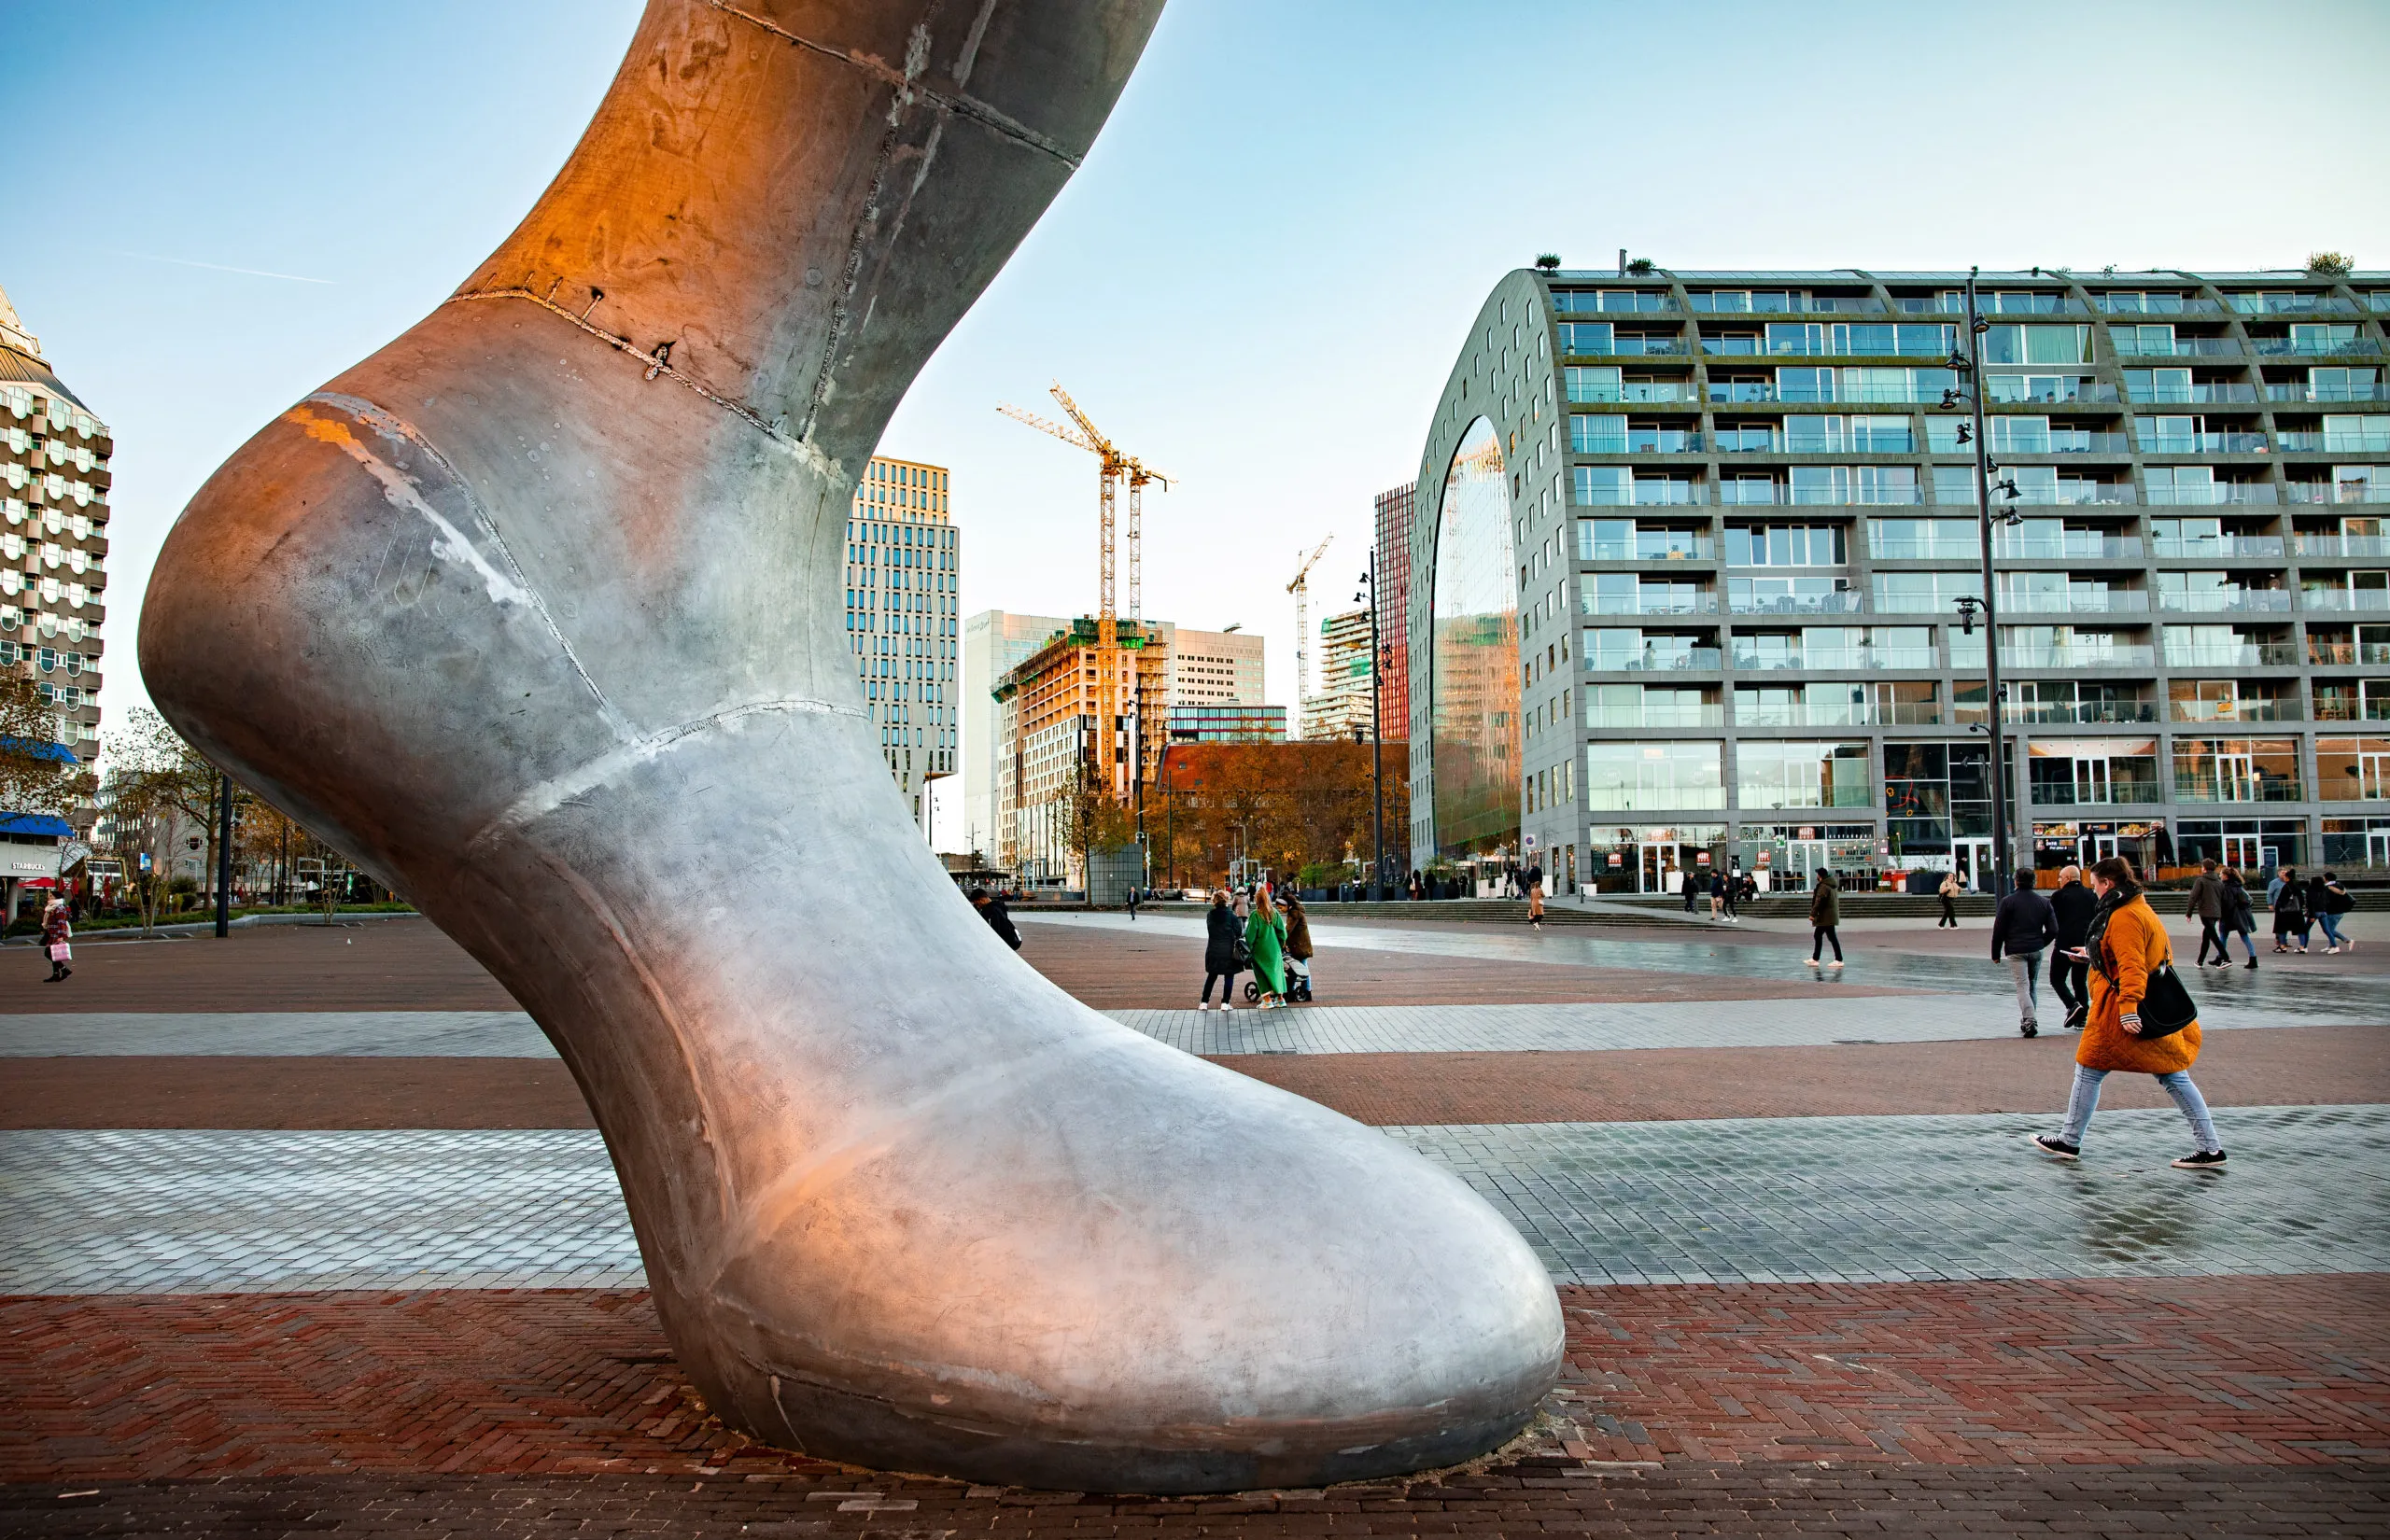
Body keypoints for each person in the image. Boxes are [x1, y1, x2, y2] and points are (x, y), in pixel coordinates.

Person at [2032, 856, 2226, 1169]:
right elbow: (2133, 956)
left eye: (2095, 885)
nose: (2093, 891)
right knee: (2171, 1074)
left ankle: (2069, 1140)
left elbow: (2132, 966)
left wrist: (2128, 1010)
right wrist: (2094, 955)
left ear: (2108, 883)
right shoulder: (2138, 907)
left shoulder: (2124, 916)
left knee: (2092, 1069)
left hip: (2121, 1010)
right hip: (2141, 1008)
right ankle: (2210, 1147)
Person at [1989, 877, 2057, 1037]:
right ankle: (2029, 1018)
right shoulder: (2043, 902)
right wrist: (2041, 942)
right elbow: (2053, 929)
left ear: (2016, 882)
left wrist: (1995, 952)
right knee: (2032, 984)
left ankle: (2029, 1019)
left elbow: (1998, 929)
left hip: (2015, 949)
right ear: (2034, 882)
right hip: (2035, 948)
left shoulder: (2008, 902)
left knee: (2022, 985)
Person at [2048, 864, 2096, 1030]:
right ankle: (2082, 1018)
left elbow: (2052, 921)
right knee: (2079, 981)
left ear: (2068, 878)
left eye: (2061, 878)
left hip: (2064, 945)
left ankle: (2073, 1005)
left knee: (2056, 978)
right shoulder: (2091, 895)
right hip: (2085, 945)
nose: (2059, 881)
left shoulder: (2059, 896)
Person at [1198, 889, 1242, 1010]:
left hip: (1213, 948)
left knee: (1211, 976)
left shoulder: (1210, 915)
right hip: (1228, 949)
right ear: (1226, 901)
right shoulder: (1232, 915)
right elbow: (1239, 932)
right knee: (1229, 976)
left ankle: (1204, 1002)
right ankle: (1225, 1003)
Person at [1244, 886, 1287, 1009]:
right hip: (1274, 949)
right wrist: (1278, 945)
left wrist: (1250, 949)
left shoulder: (1256, 915)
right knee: (1277, 973)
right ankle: (1280, 999)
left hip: (1260, 950)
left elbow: (1250, 935)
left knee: (1261, 973)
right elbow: (1282, 933)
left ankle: (1267, 1000)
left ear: (1256, 900)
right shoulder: (1275, 913)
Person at [2186, 858, 2227, 967]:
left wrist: (2189, 913)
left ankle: (2226, 958)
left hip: (2205, 912)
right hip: (2216, 912)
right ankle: (2200, 961)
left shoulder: (2201, 881)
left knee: (2213, 936)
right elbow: (2223, 899)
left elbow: (2193, 897)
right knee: (2206, 936)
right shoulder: (2219, 882)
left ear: (2204, 868)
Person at [2219, 868, 2258, 970]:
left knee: (2223, 935)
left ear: (2226, 876)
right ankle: (2253, 958)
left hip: (2230, 915)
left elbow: (2227, 903)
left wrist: (2220, 914)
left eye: (2221, 874)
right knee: (2244, 936)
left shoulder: (2226, 887)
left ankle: (2220, 956)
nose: (2220, 876)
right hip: (2241, 914)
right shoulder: (2238, 885)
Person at [1282, 889, 1314, 1001]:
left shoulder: (1294, 914)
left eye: (1281, 907)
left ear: (1288, 906)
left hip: (1300, 946)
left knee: (1301, 968)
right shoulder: (1294, 911)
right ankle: (1305, 990)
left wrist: (1281, 940)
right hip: (1300, 944)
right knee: (1299, 968)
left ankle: (1303, 991)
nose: (1280, 909)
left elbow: (1288, 930)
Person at [1807, 868, 1843, 970]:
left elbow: (1819, 901)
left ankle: (1838, 959)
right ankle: (1816, 958)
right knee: (1824, 936)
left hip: (1826, 916)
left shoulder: (1824, 887)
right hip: (1829, 916)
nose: (1817, 876)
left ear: (1820, 875)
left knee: (1824, 936)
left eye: (1817, 874)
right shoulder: (1831, 885)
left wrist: (1812, 914)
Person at [2313, 871, 2355, 955]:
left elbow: (2327, 901)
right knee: (2329, 929)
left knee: (2328, 930)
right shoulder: (2339, 885)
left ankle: (2347, 940)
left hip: (2333, 912)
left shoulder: (2328, 888)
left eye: (2324, 877)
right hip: (2340, 911)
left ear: (2326, 878)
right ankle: (2331, 945)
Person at [969, 887, 1020, 951]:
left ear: (982, 899)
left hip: (1010, 941)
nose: (978, 906)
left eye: (977, 904)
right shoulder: (998, 905)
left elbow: (994, 930)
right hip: (1015, 938)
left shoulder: (989, 911)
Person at [2270, 867, 2307, 954]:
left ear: (2287, 878)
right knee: (2300, 930)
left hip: (2285, 912)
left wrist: (2278, 908)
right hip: (2297, 912)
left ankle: (2282, 947)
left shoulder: (2286, 887)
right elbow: (2302, 900)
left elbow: (2281, 900)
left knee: (2282, 929)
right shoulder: (2297, 887)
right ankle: (2302, 947)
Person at [40, 894, 72, 983]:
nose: (49, 897)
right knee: (54, 954)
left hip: (56, 934)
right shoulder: (52, 907)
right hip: (51, 933)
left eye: (51, 896)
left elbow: (61, 922)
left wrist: (61, 936)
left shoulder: (59, 908)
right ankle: (56, 975)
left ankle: (64, 969)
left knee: (48, 953)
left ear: (56, 898)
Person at [1523, 861, 1544, 929]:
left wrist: (1530, 881)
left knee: (1532, 892)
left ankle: (1534, 922)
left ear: (1533, 865)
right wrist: (1540, 882)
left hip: (1532, 883)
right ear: (1537, 864)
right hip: (1537, 882)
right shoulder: (1539, 869)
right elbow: (1541, 876)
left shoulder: (1531, 870)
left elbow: (1529, 876)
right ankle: (1536, 923)